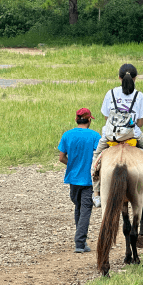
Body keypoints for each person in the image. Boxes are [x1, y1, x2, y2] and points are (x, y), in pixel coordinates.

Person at [91, 64, 143, 207]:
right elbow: (141, 123)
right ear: (135, 78)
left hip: (110, 135)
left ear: (119, 77)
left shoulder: (110, 93)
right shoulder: (139, 96)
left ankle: (96, 194)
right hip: (132, 135)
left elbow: (107, 117)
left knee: (95, 158)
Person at [58, 108, 101, 253]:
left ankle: (80, 240)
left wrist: (71, 164)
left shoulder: (67, 135)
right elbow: (99, 158)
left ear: (76, 119)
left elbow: (61, 157)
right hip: (88, 180)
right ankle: (80, 243)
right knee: (86, 210)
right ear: (89, 120)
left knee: (78, 207)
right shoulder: (95, 136)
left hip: (72, 178)